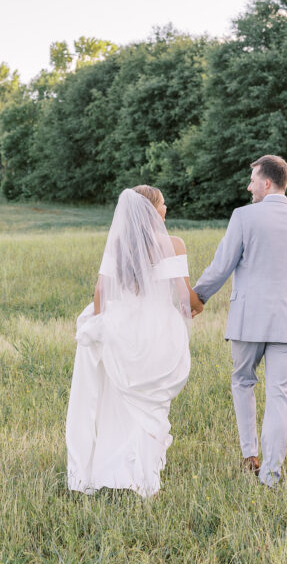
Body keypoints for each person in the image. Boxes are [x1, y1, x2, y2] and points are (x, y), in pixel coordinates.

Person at [193, 155, 287, 487]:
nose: (249, 186)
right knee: (280, 395)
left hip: (248, 319)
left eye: (252, 179)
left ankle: (250, 453)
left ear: (267, 182)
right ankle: (270, 475)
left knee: (243, 382)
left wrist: (197, 297)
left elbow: (222, 265)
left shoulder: (243, 217)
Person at [66, 186, 203, 497]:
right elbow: (185, 299)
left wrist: (101, 325)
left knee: (120, 405)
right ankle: (142, 473)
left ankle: (112, 469)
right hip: (158, 330)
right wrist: (199, 303)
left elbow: (100, 291)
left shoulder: (119, 245)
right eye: (163, 202)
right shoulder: (174, 244)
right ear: (152, 209)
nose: (166, 207)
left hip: (124, 329)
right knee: (153, 405)